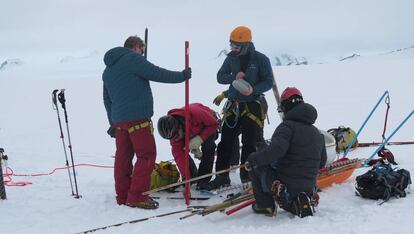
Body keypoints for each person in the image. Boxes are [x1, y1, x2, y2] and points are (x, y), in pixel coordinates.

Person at [103, 35, 191, 209]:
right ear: (136, 46)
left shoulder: (108, 70)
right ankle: (136, 197)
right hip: (138, 119)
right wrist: (181, 76)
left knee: (123, 159)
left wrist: (112, 122)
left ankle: (122, 196)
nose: (142, 54)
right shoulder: (132, 59)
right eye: (141, 50)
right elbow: (156, 73)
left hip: (119, 122)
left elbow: (107, 99)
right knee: (147, 155)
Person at [206, 26, 273, 189]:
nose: (233, 48)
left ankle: (247, 176)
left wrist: (254, 90)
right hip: (234, 104)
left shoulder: (260, 59)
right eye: (232, 45)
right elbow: (220, 77)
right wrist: (233, 77)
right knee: (226, 141)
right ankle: (222, 176)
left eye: (236, 46)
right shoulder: (230, 59)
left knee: (249, 143)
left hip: (252, 106)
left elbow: (268, 82)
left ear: (246, 45)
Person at [245, 87, 327, 218]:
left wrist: (253, 159)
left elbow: (275, 151)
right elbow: (322, 162)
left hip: (286, 186)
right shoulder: (317, 133)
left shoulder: (286, 127)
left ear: (286, 106)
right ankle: (300, 199)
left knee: (256, 164)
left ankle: (265, 205)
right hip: (308, 187)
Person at [157, 103, 218, 190]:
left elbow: (214, 124)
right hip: (191, 133)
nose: (176, 139)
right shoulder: (175, 137)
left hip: (208, 126)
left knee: (208, 147)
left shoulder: (196, 114)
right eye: (173, 138)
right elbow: (179, 156)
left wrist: (200, 139)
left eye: (177, 135)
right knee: (182, 152)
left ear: (178, 126)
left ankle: (203, 180)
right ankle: (192, 177)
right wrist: (186, 178)